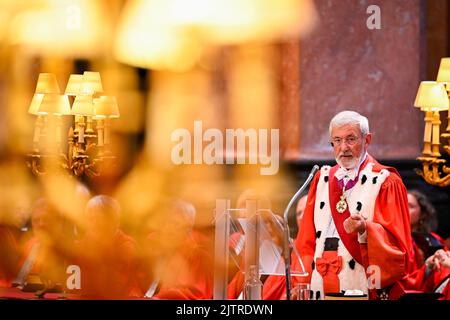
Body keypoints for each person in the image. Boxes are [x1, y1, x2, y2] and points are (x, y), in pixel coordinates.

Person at [263, 110, 413, 300]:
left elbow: (399, 248)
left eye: (351, 139)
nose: (344, 148)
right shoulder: (322, 178)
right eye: (337, 140)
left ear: (367, 140)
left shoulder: (386, 182)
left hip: (361, 284)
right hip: (320, 282)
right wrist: (300, 284)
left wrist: (365, 228)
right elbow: (307, 240)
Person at [71, 195, 142, 299]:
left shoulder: (126, 247)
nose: (94, 224)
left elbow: (115, 287)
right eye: (90, 219)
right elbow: (73, 286)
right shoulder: (81, 246)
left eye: (99, 219)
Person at [407, 190, 446, 268]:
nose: (404, 209)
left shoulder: (433, 239)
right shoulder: (389, 238)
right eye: (400, 204)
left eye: (410, 206)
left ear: (422, 214)